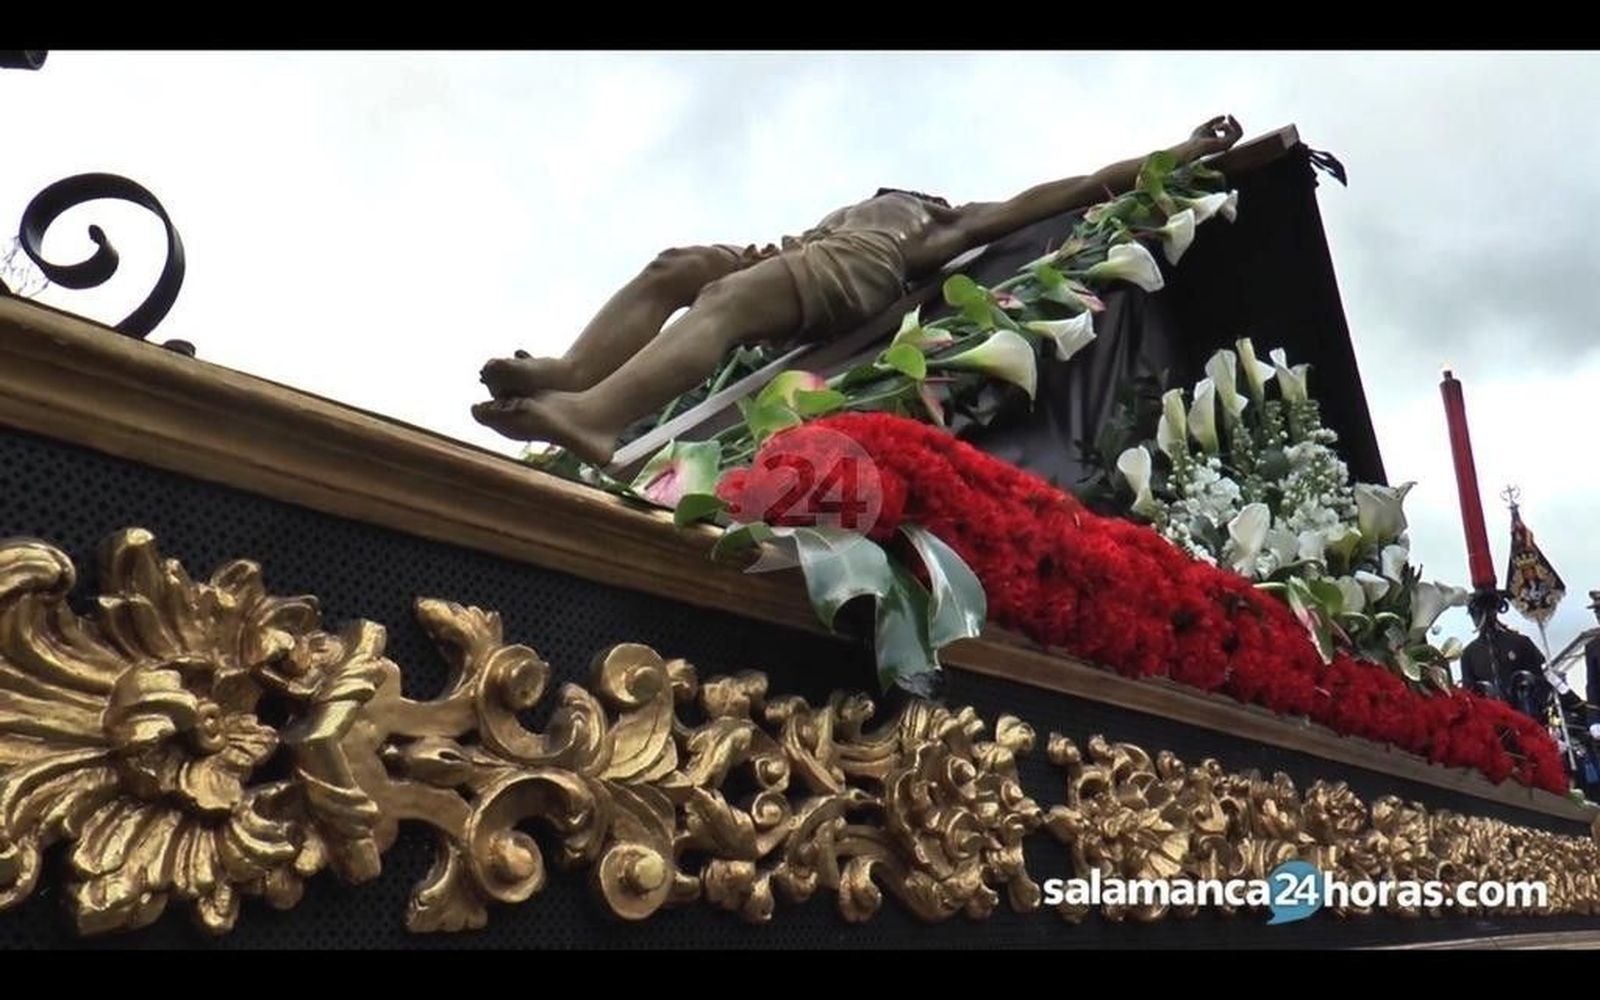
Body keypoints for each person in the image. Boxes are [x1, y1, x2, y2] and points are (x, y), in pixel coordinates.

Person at [473, 115, 1246, 465]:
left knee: (725, 307)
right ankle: (576, 374)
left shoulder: (939, 221)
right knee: (676, 267)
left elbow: (1071, 187)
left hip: (860, 268)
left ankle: (598, 419)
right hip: (802, 250)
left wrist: (1175, 153)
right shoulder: (857, 206)